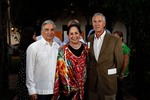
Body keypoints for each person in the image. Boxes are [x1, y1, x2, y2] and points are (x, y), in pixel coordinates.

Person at [86, 12, 124, 100]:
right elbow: (90, 58)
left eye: (99, 21)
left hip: (108, 83)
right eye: (95, 21)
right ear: (92, 24)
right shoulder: (89, 39)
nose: (97, 24)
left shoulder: (115, 40)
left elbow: (119, 61)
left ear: (104, 24)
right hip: (93, 83)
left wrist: (110, 71)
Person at [52, 22, 89, 100]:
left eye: (76, 33)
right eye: (71, 34)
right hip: (69, 92)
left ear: (80, 34)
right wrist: (66, 89)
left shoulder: (86, 49)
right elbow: (62, 72)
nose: (74, 36)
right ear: (68, 36)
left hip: (85, 89)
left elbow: (89, 67)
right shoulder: (63, 51)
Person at [26, 20, 60, 100]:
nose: (50, 32)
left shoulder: (57, 47)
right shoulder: (33, 47)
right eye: (47, 30)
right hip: (39, 91)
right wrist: (31, 90)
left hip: (55, 91)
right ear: (42, 32)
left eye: (52, 30)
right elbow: (29, 70)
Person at [17, 27, 36, 100]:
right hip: (30, 71)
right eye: (34, 34)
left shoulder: (22, 45)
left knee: (23, 93)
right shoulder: (32, 47)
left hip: (22, 71)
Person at [113, 31, 131, 100]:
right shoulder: (117, 46)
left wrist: (122, 74)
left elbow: (126, 62)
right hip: (116, 71)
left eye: (116, 37)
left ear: (121, 38)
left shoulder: (125, 48)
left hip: (121, 72)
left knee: (118, 90)